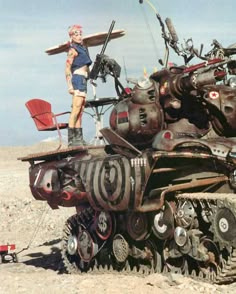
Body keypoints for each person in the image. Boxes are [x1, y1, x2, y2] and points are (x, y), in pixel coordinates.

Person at [65, 24, 92, 147]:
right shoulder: (73, 50)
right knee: (75, 109)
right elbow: (67, 68)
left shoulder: (82, 48)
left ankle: (78, 139)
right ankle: (71, 140)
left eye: (80, 33)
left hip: (83, 79)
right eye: (76, 34)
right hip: (77, 78)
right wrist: (70, 86)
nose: (79, 36)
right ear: (71, 36)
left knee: (80, 110)